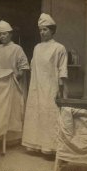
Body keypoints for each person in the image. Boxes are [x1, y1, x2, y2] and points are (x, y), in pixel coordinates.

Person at [22, 13, 68, 154]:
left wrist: (61, 90)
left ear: (52, 30)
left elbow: (62, 70)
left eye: (45, 29)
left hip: (50, 87)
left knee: (49, 115)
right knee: (36, 114)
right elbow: (33, 68)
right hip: (36, 86)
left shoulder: (59, 48)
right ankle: (34, 144)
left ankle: (49, 147)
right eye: (41, 30)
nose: (42, 32)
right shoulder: (37, 48)